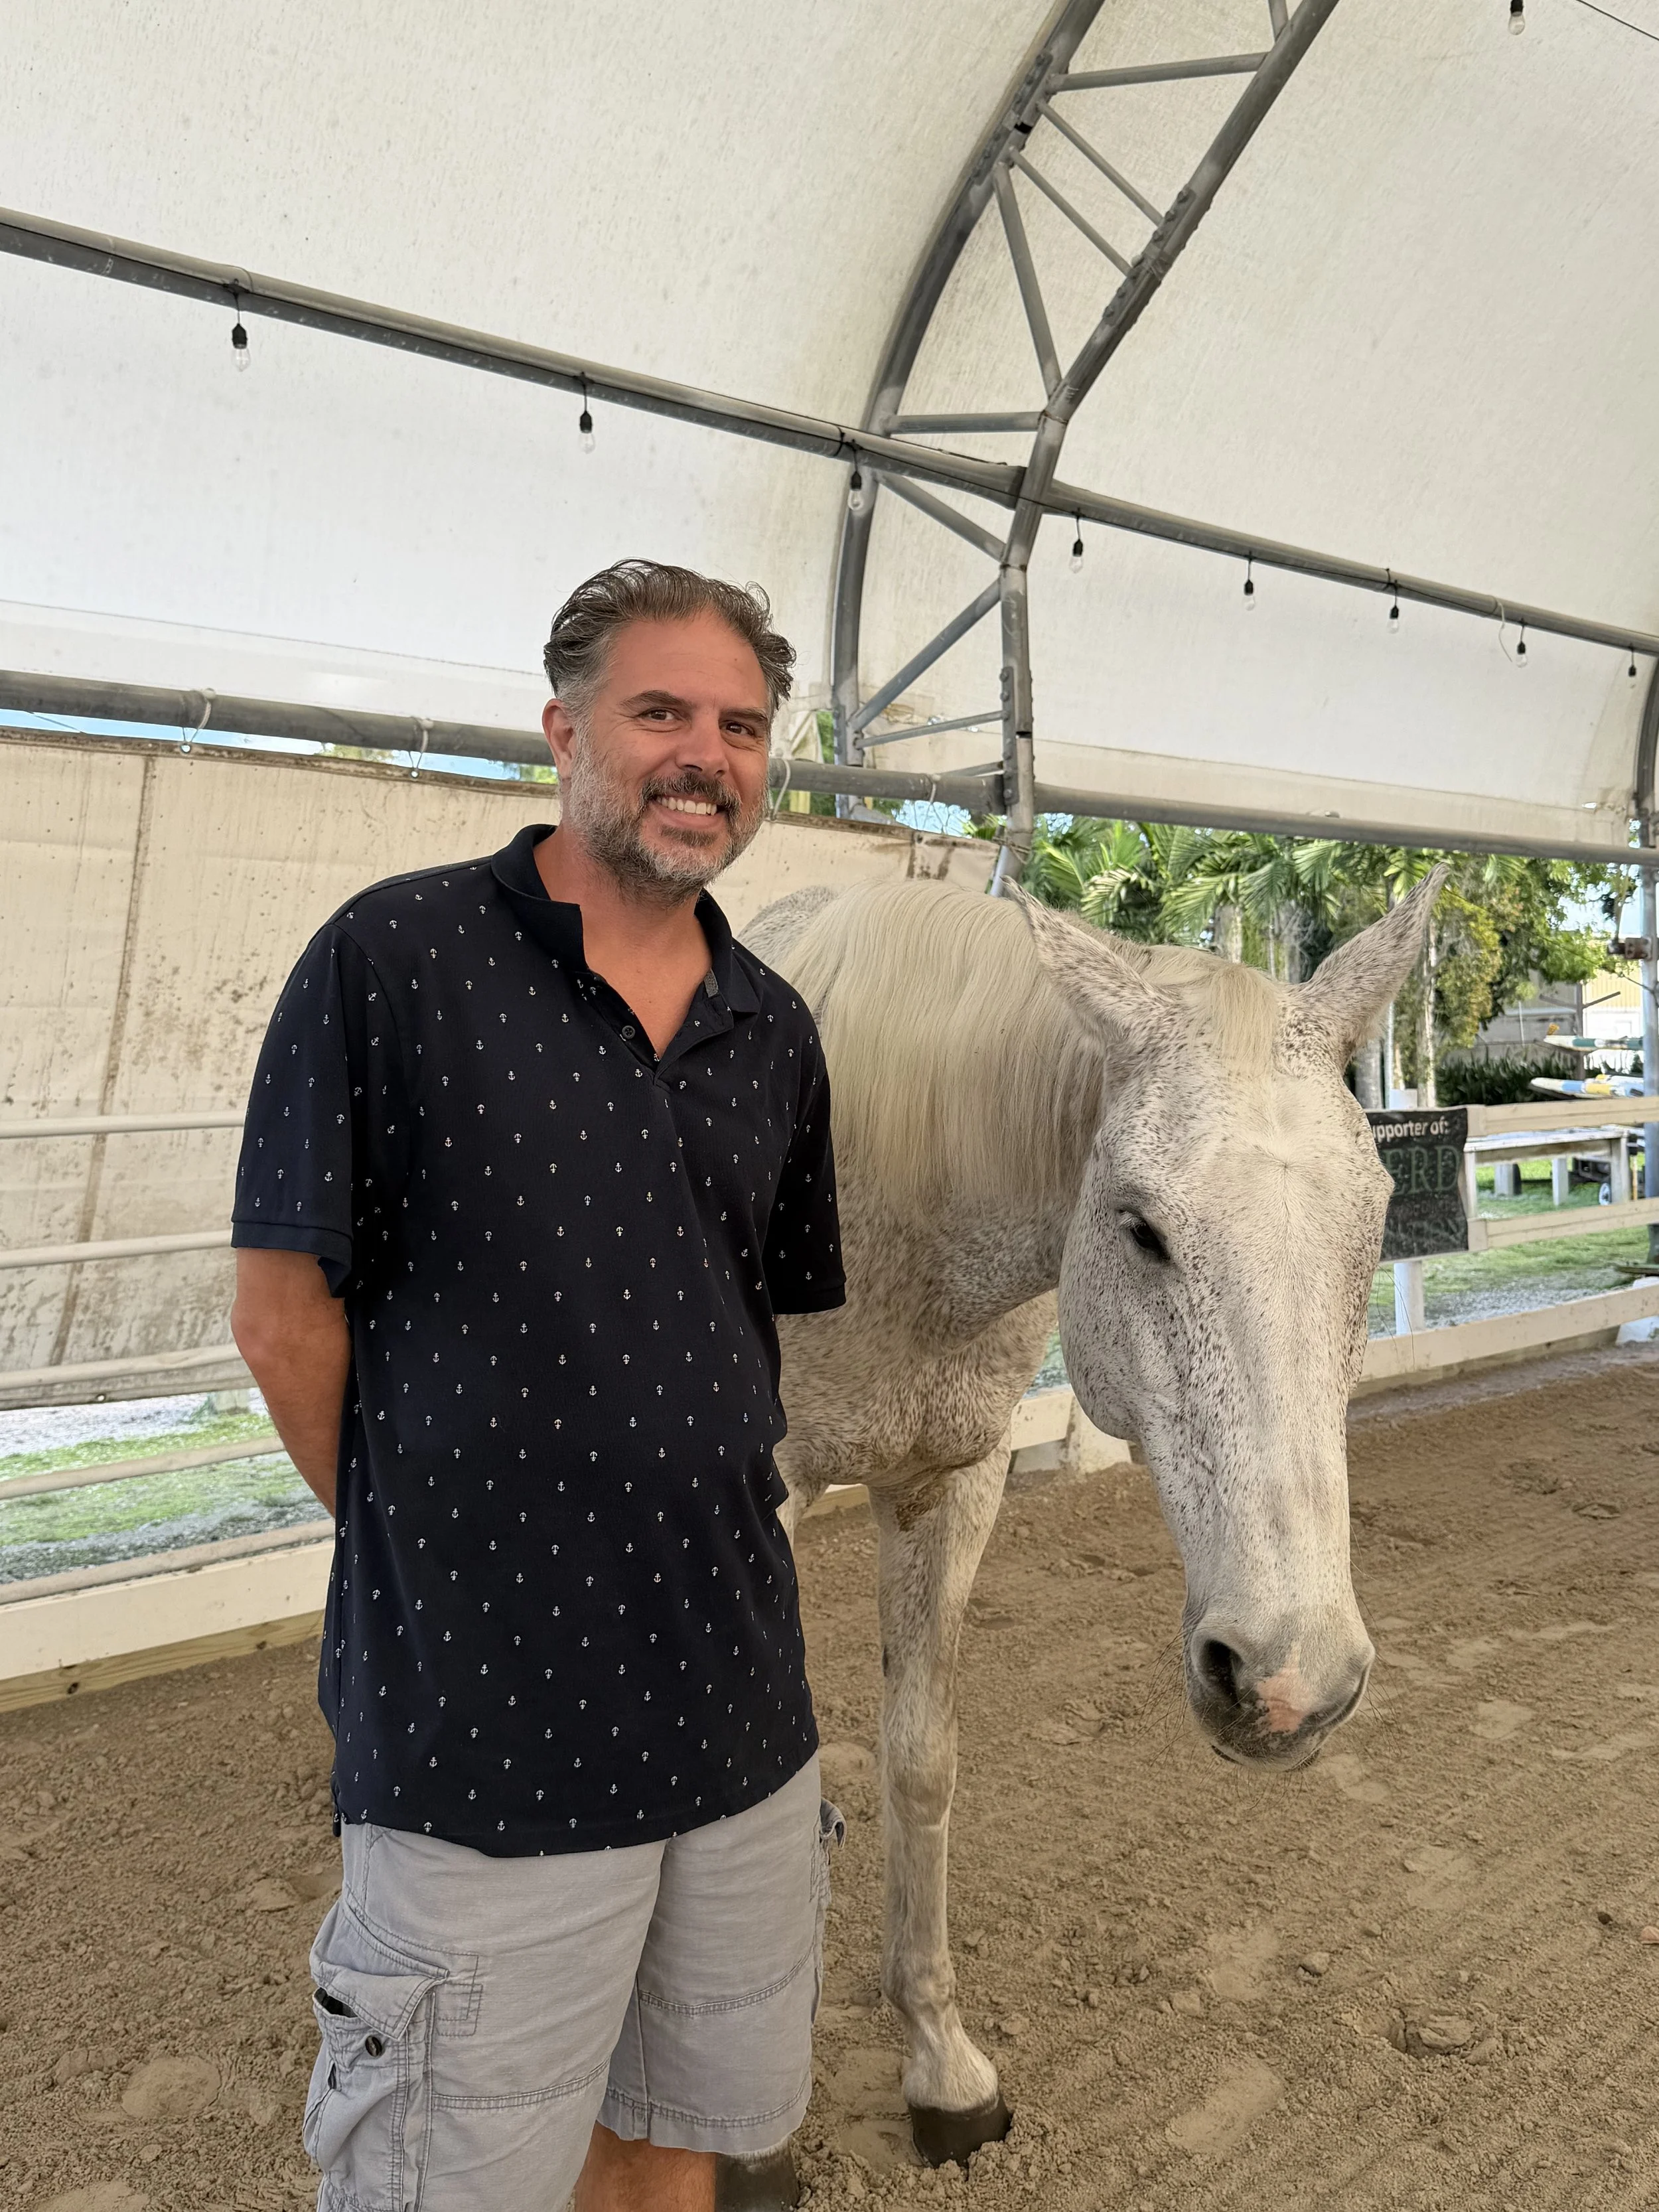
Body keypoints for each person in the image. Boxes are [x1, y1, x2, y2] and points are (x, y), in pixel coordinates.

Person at [230, 561, 846, 2212]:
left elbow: (740, 1344)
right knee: (460, 2172)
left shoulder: (772, 1026)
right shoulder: (394, 963)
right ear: (563, 727)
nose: (702, 752)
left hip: (737, 1715)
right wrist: (439, 1557)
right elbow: (285, 1316)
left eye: (738, 723)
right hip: (483, 1738)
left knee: (674, 2138)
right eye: (661, 711)